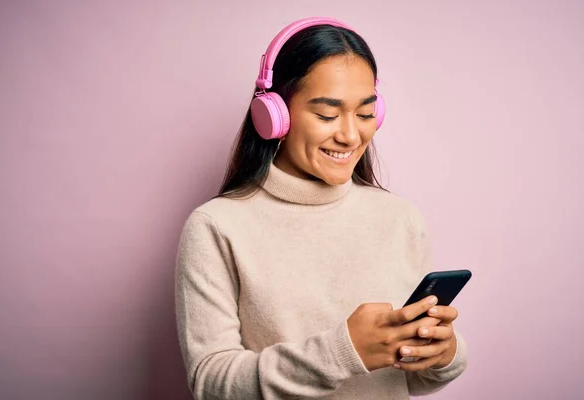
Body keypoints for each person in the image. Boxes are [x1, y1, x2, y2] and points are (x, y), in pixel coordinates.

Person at [175, 17, 467, 400]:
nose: (350, 134)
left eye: (365, 113)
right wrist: (343, 352)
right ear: (274, 115)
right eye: (328, 115)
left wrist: (443, 354)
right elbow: (211, 384)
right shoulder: (217, 227)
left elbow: (410, 381)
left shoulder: (401, 219)